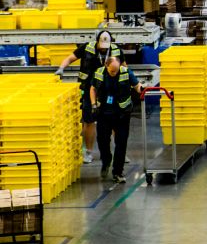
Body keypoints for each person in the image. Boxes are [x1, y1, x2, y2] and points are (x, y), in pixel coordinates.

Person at [55, 30, 121, 164]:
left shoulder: (116, 50)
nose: (104, 50)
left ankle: (120, 152)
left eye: (106, 47)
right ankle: (89, 152)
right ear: (97, 41)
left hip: (109, 91)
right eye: (102, 46)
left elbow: (124, 67)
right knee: (89, 121)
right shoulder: (87, 48)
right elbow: (70, 58)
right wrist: (61, 68)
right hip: (88, 89)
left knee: (115, 122)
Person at [89, 55, 142, 183]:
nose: (114, 73)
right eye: (112, 70)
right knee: (102, 140)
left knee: (121, 143)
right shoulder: (99, 73)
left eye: (116, 70)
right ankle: (106, 161)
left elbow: (137, 86)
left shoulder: (126, 72)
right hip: (104, 113)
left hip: (122, 114)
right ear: (106, 66)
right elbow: (93, 88)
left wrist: (143, 90)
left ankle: (118, 172)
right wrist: (93, 104)